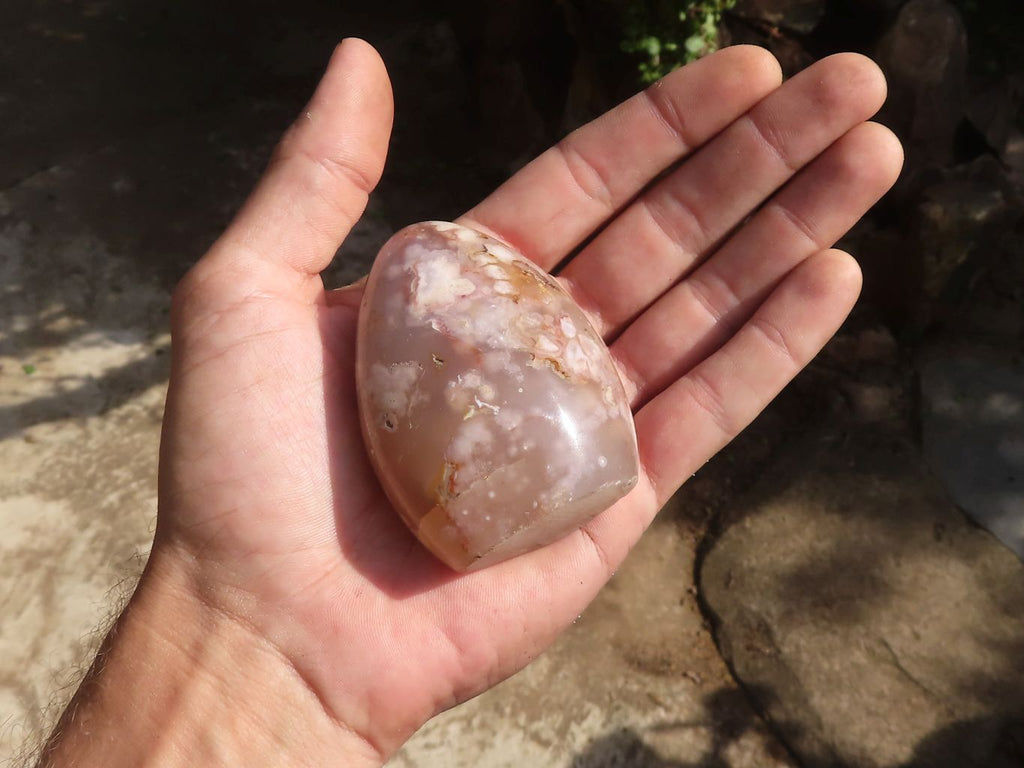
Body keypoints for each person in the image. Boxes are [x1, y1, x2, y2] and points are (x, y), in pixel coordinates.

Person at [36, 39, 901, 766]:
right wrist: (256, 654)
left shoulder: (432, 286)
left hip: (552, 454)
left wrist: (243, 669)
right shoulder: (424, 288)